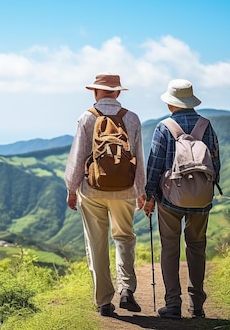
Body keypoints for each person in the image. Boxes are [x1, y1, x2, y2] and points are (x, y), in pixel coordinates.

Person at [65, 73, 147, 317]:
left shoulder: (86, 118)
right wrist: (140, 190)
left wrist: (72, 189)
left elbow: (78, 157)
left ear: (95, 92)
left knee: (97, 244)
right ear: (118, 93)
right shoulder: (131, 118)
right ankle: (127, 290)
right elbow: (138, 157)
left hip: (92, 189)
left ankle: (103, 300)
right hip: (125, 190)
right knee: (124, 238)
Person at [143, 79, 221, 320]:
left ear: (171, 104)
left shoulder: (164, 127)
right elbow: (215, 163)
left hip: (170, 198)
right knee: (197, 247)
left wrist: (149, 196)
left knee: (170, 248)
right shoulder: (206, 126)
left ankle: (173, 304)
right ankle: (197, 305)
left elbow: (155, 164)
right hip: (201, 197)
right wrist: (205, 189)